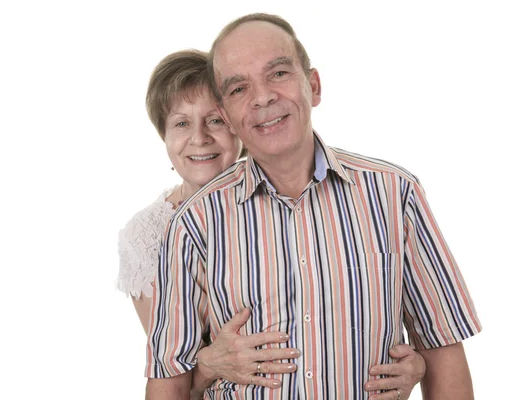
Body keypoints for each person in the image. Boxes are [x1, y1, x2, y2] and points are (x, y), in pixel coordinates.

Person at [145, 13, 481, 400]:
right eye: (239, 89)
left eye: (279, 74)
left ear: (314, 85)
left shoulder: (395, 193)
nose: (262, 96)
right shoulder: (193, 223)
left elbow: (444, 350)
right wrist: (208, 365)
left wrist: (420, 362)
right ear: (231, 118)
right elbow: (168, 378)